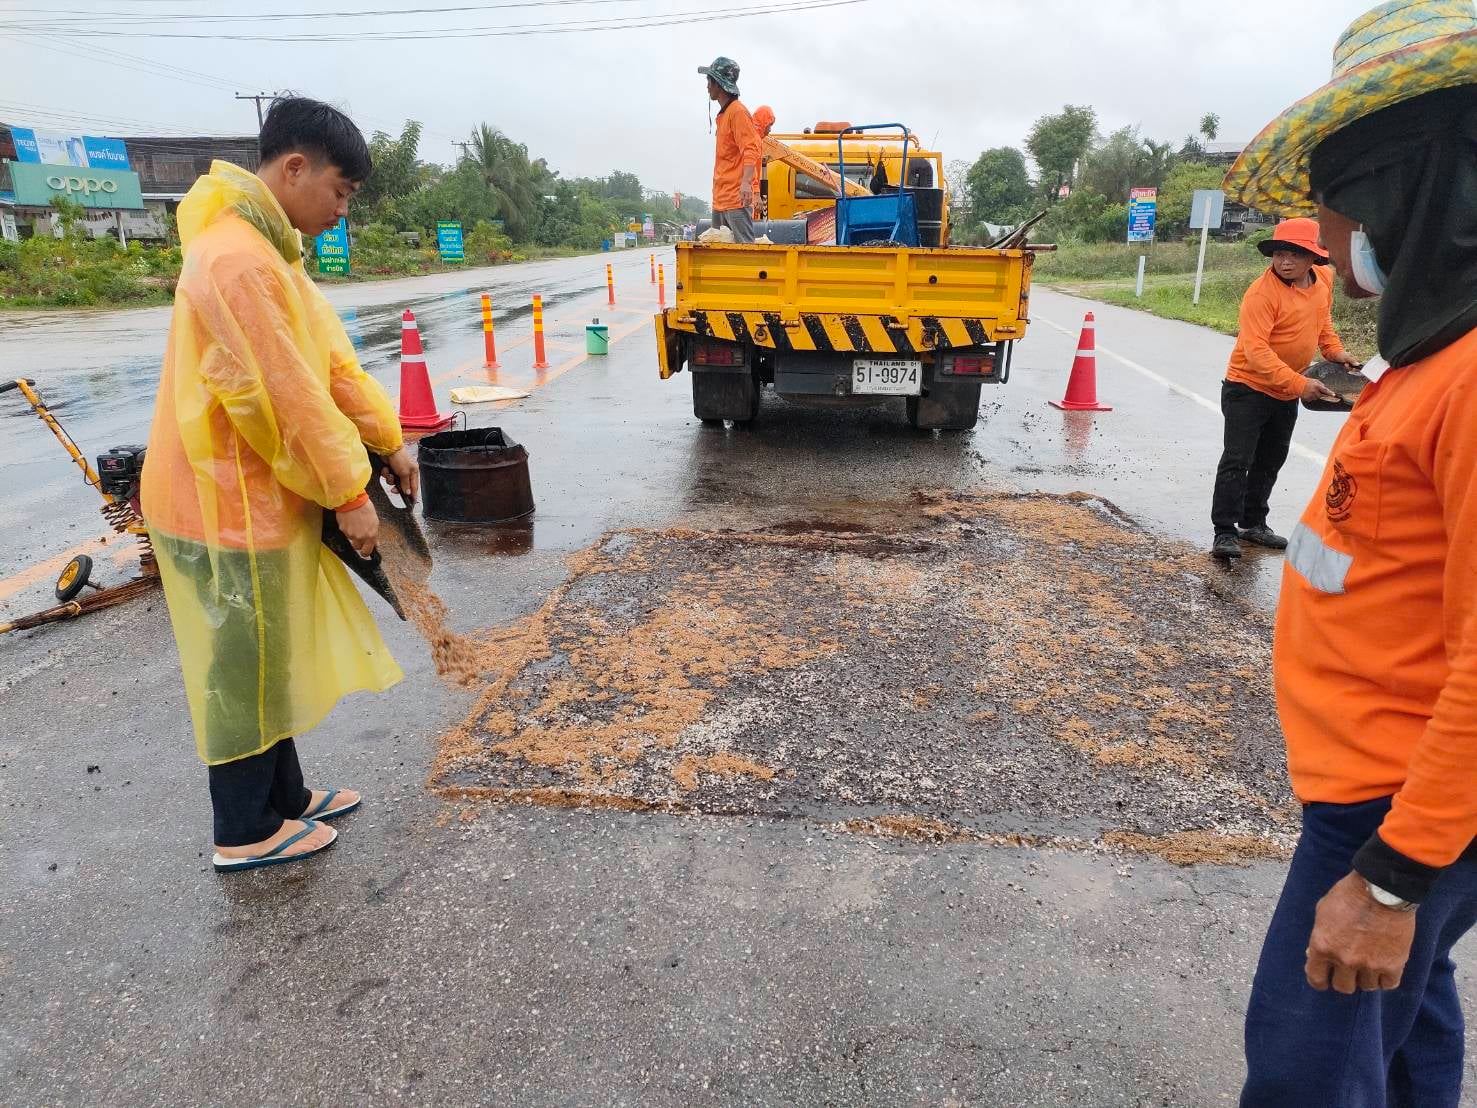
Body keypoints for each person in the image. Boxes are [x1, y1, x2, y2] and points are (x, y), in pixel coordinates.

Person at [1224, 1, 1477, 1102]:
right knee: (1406, 1016)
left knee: (1305, 1064)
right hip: (1374, 790)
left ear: (1420, 190)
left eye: (1339, 204)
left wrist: (1391, 878)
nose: (1327, 241)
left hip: (1397, 807)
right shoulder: (1429, 357)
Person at [140, 96, 418, 873]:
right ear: (295, 168)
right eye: (340, 191)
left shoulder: (270, 251)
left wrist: (386, 440)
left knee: (267, 650)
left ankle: (283, 799)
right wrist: (349, 494)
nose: (342, 209)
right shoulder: (237, 261)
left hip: (254, 491)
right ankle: (243, 829)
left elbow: (326, 362)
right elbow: (282, 399)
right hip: (218, 497)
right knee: (241, 663)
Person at [1209, 217, 1355, 560]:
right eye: (1279, 254)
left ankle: (1253, 523)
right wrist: (1300, 383)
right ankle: (1225, 531)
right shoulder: (1262, 294)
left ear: (1314, 256)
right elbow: (1255, 352)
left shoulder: (1323, 280)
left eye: (1294, 254)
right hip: (1247, 387)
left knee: (1270, 459)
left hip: (1287, 390)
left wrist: (1336, 352)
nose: (1285, 261)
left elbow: (1323, 325)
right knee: (1237, 460)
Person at [698, 56, 761, 244]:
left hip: (735, 200)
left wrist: (746, 184)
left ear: (718, 83)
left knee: (744, 253)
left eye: (709, 81)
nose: (707, 86)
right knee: (721, 253)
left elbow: (751, 149)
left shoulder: (737, 112)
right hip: (720, 199)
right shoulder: (725, 114)